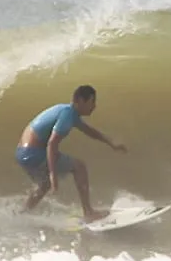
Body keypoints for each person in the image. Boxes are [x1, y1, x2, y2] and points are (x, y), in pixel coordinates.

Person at [15, 84, 127, 221]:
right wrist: (53, 174)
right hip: (33, 152)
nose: (94, 106)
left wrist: (111, 143)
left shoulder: (66, 111)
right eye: (92, 102)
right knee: (79, 167)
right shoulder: (67, 115)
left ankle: (24, 212)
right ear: (80, 100)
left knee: (44, 185)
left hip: (22, 153)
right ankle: (89, 213)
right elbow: (52, 144)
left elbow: (89, 131)